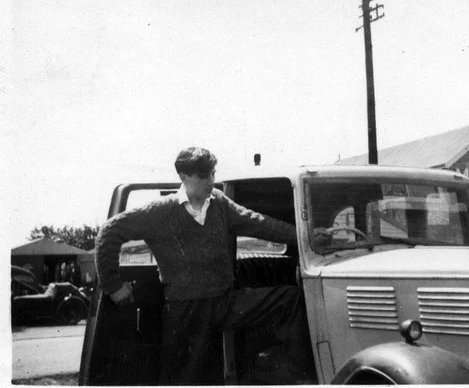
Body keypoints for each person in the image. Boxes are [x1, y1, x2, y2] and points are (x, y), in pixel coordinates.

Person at [95, 147, 315, 385]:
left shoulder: (219, 203)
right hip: (185, 310)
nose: (210, 181)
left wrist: (305, 236)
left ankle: (302, 379)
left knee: (289, 300)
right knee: (181, 379)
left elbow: (257, 223)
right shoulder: (160, 211)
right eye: (203, 176)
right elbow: (109, 232)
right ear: (183, 177)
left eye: (212, 174)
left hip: (224, 303)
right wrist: (113, 285)